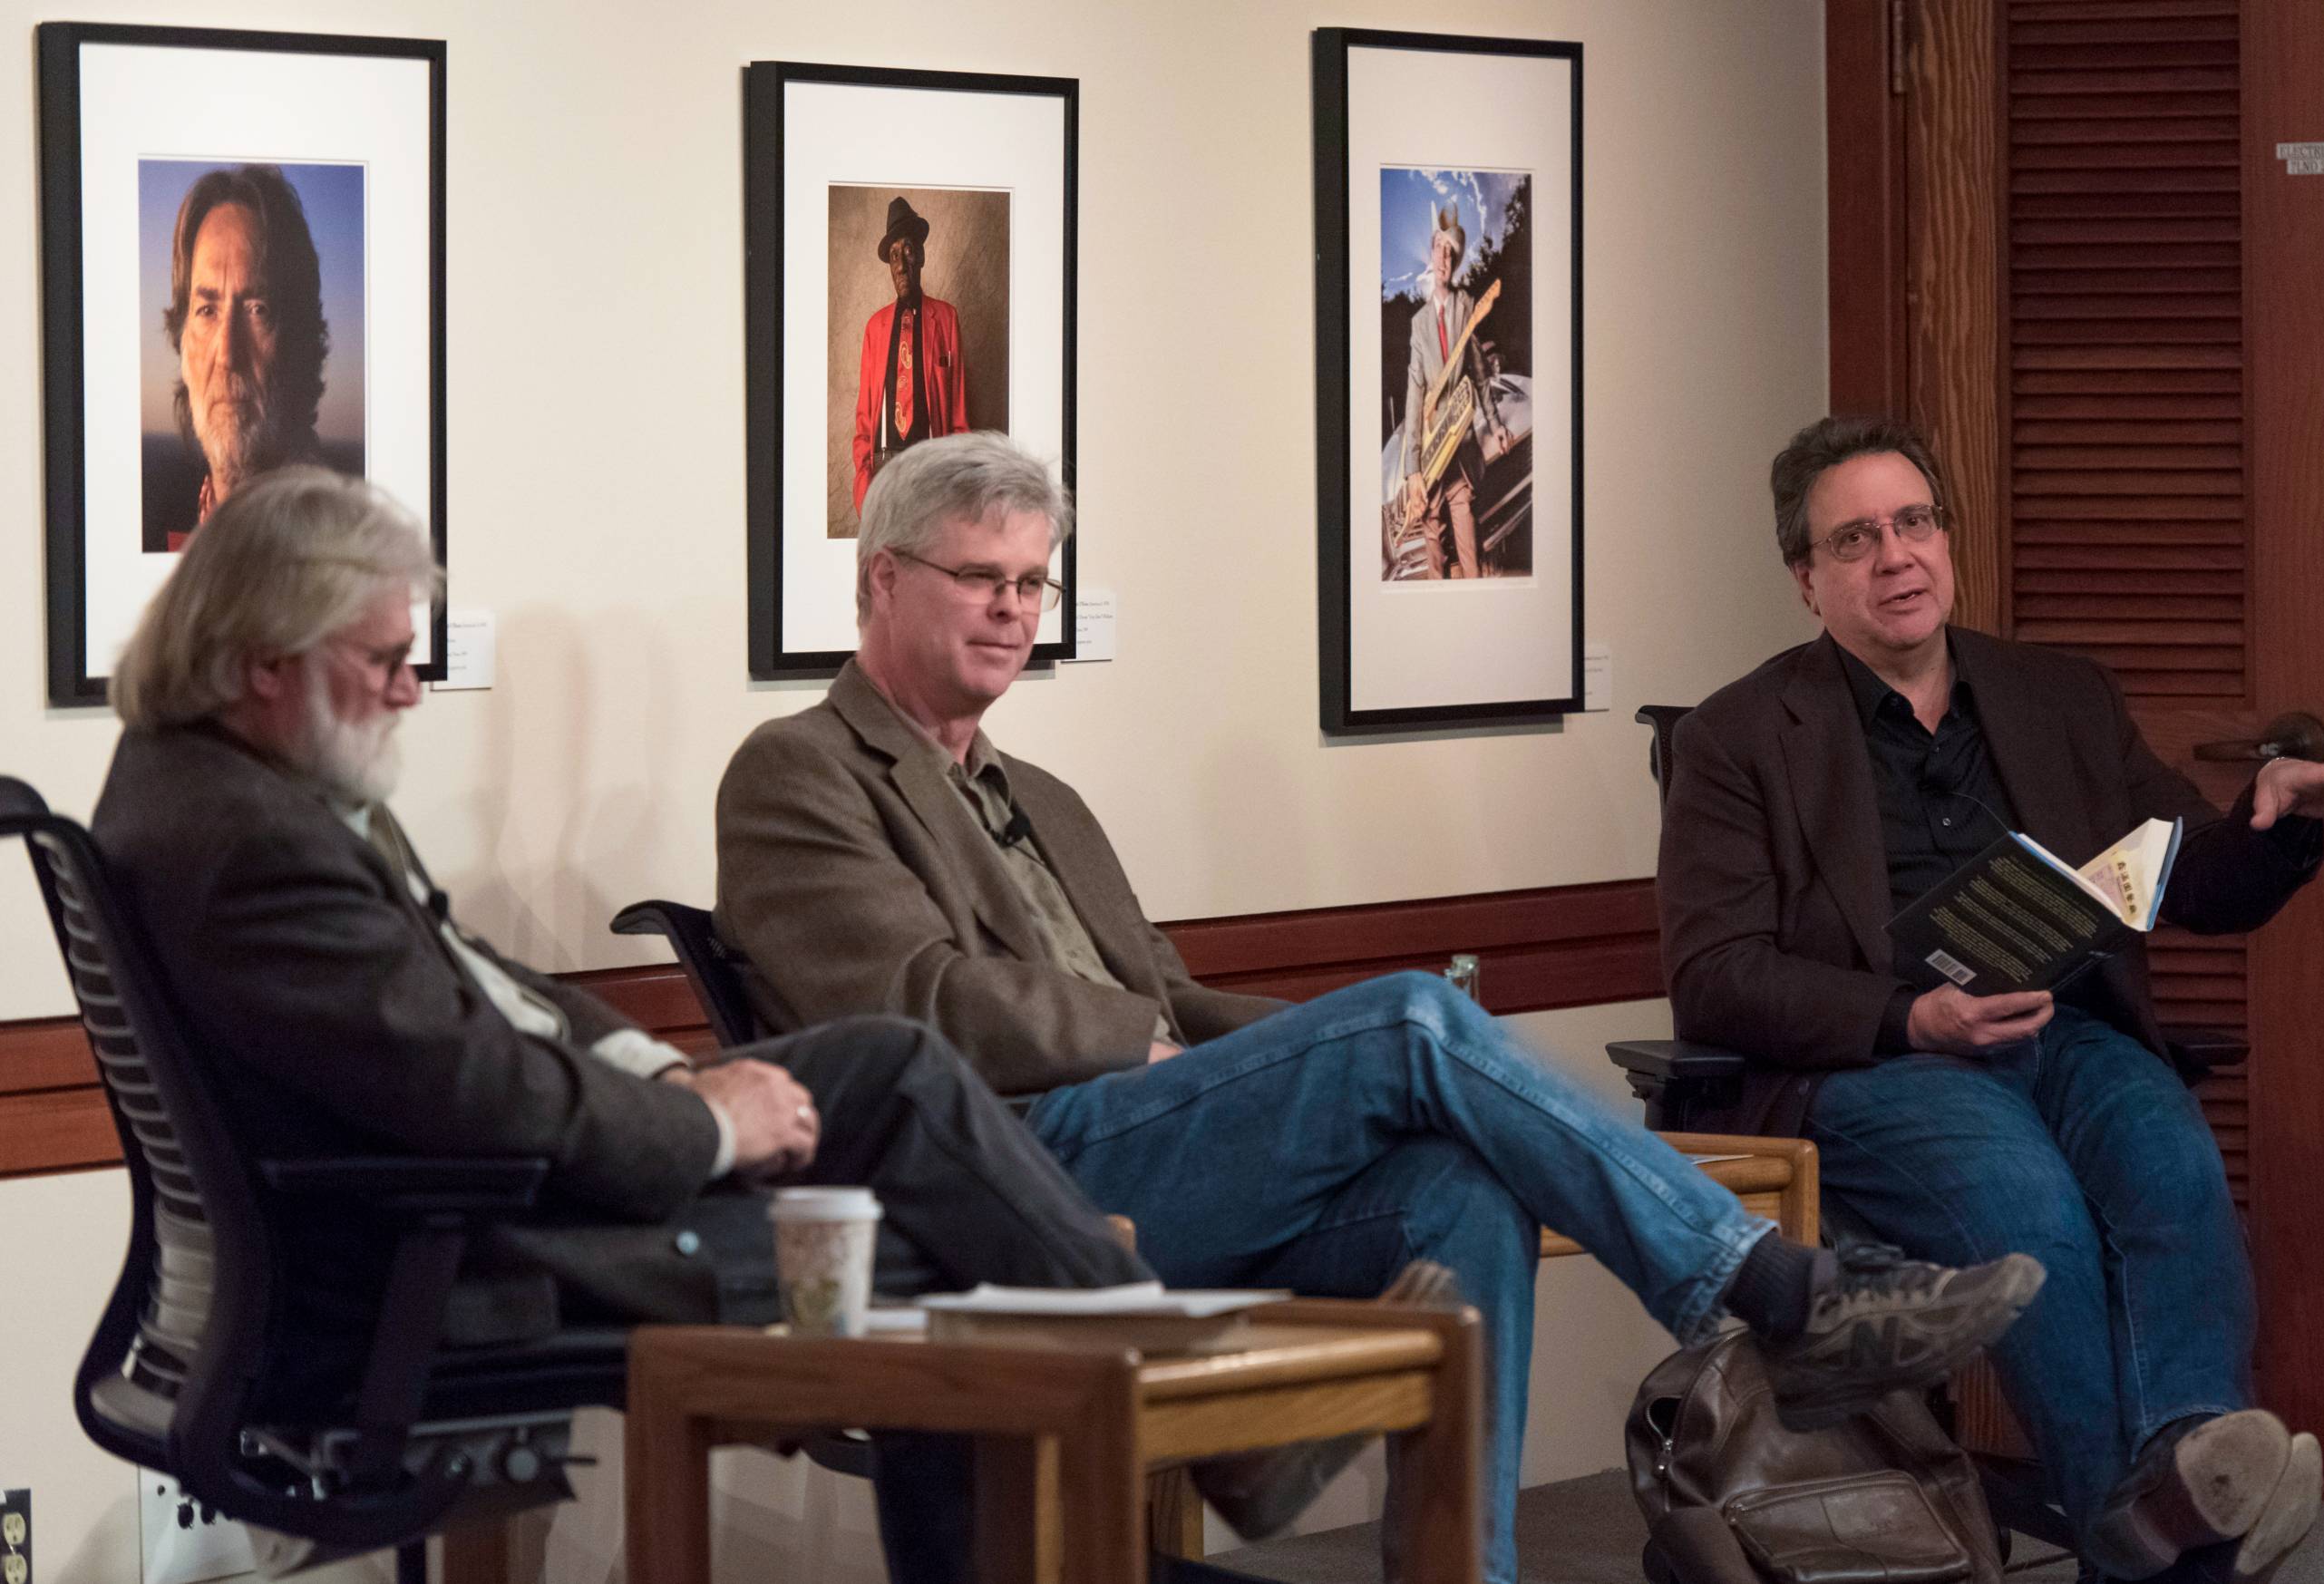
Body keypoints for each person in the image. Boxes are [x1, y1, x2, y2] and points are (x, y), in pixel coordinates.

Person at [713, 431, 2047, 1584]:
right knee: (1410, 1021)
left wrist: (1335, 1047)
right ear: (881, 579)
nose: (1012, 610)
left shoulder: (1042, 798)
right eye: (980, 579)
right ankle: (1768, 1285)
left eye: (1030, 582)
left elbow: (1171, 995)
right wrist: (1299, 1038)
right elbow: (911, 1002)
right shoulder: (798, 772)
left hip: (1140, 1150)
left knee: (1456, 1186)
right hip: (997, 1177)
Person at [85, 467, 1344, 1582]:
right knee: (935, 1248)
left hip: (471, 1214)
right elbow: (469, 1089)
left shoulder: (230, 789)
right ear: (265, 661)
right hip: (456, 1264)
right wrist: (704, 1127)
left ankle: (1193, 1438)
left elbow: (489, 986)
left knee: (889, 1067)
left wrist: (662, 1070)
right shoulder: (253, 843)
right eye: (385, 661)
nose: (412, 690)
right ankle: (1215, 1433)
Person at [1658, 415, 2324, 1584]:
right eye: (1854, 539)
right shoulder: (1737, 737)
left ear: (1945, 539)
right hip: (1886, 1060)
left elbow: (2184, 878)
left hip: (2067, 1030)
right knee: (2031, 1212)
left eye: (1912, 523)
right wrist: (1910, 1016)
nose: (1895, 556)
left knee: (2171, 1170)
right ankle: (2161, 1542)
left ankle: (2171, 1485)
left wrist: (2272, 820)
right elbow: (1715, 975)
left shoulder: (2057, 695)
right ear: (1805, 579)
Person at [144, 164, 338, 552]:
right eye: (206, 311)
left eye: (257, 310)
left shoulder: (344, 551)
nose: (228, 355)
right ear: (182, 345)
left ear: (300, 342)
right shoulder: (160, 530)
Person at [1396, 204, 1501, 579]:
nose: (1443, 258)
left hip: (1462, 450)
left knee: (1470, 554)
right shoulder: (1418, 324)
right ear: (1430, 253)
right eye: (1439, 247)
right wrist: (1413, 470)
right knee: (1434, 554)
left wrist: (1495, 424)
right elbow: (1414, 393)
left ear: (1454, 262)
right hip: (1431, 455)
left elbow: (1480, 373)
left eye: (1450, 252)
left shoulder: (1467, 305)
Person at [851, 196, 971, 518]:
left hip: (932, 473)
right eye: (894, 256)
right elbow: (864, 420)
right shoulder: (875, 328)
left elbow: (959, 418)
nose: (902, 265)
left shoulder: (946, 319)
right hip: (883, 474)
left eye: (907, 251)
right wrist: (865, 486)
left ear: (921, 256)